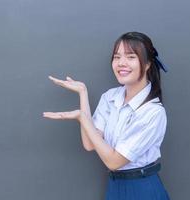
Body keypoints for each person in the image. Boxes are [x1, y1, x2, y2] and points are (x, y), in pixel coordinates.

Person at [43, 31, 170, 200]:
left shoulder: (153, 112)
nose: (121, 63)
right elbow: (89, 143)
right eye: (117, 57)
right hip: (115, 186)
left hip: (142, 189)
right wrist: (83, 93)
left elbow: (114, 161)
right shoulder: (110, 97)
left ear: (147, 64)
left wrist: (82, 118)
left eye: (131, 57)